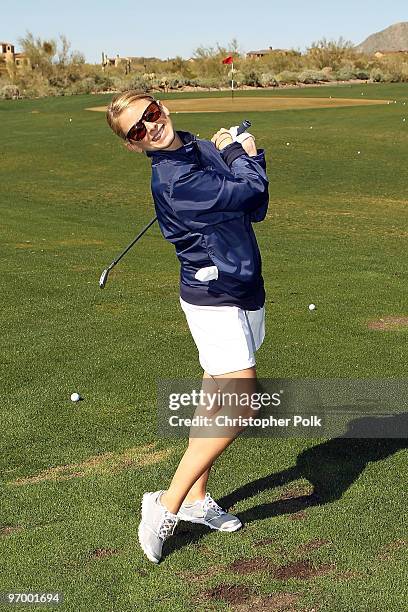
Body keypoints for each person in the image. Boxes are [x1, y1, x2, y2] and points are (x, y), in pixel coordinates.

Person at [106, 91, 269, 563]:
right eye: (138, 130)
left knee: (216, 393)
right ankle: (166, 503)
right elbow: (250, 189)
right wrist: (241, 154)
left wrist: (242, 155)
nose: (150, 127)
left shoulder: (195, 148)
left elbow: (255, 205)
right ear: (133, 145)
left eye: (151, 114)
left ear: (163, 108)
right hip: (212, 293)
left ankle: (198, 500)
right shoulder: (176, 179)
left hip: (243, 284)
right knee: (242, 405)